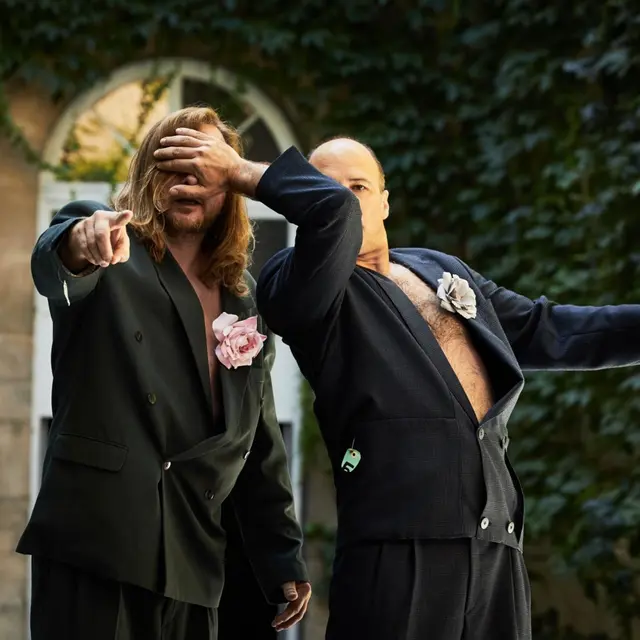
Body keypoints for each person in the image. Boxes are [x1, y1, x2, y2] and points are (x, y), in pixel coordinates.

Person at [247, 137, 640, 640]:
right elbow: (333, 216)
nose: (343, 200)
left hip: (496, 543)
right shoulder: (296, 283)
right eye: (324, 189)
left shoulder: (440, 269)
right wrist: (243, 172)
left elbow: (550, 330)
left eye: (358, 187)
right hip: (397, 545)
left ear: (385, 202)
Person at [17, 106, 311, 640]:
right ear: (148, 174)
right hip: (97, 544)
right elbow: (56, 261)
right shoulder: (110, 244)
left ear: (230, 184)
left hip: (195, 559)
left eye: (206, 167)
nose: (187, 180)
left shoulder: (243, 296)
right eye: (172, 165)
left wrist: (281, 555)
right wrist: (82, 240)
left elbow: (259, 436)